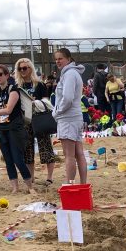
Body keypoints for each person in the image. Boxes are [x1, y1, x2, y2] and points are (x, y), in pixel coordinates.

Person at [0, 64, 32, 194]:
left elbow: (8, 110)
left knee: (18, 159)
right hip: (2, 129)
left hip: (15, 128)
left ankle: (30, 186)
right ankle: (15, 187)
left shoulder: (13, 89)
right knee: (8, 159)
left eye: (0, 74)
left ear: (7, 75)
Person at [14, 57, 56, 187]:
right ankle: (31, 177)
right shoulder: (17, 87)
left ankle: (49, 177)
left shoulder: (39, 85)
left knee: (45, 147)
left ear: (31, 68)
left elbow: (47, 102)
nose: (22, 70)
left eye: (25, 68)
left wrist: (34, 102)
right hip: (24, 120)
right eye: (20, 68)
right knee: (28, 150)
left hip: (39, 118)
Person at [53, 47, 88, 185]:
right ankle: (83, 184)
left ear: (68, 59)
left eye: (60, 58)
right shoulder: (73, 73)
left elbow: (67, 98)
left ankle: (70, 184)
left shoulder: (69, 74)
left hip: (68, 118)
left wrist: (57, 112)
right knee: (78, 153)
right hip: (75, 117)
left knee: (69, 155)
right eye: (56, 59)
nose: (58, 61)